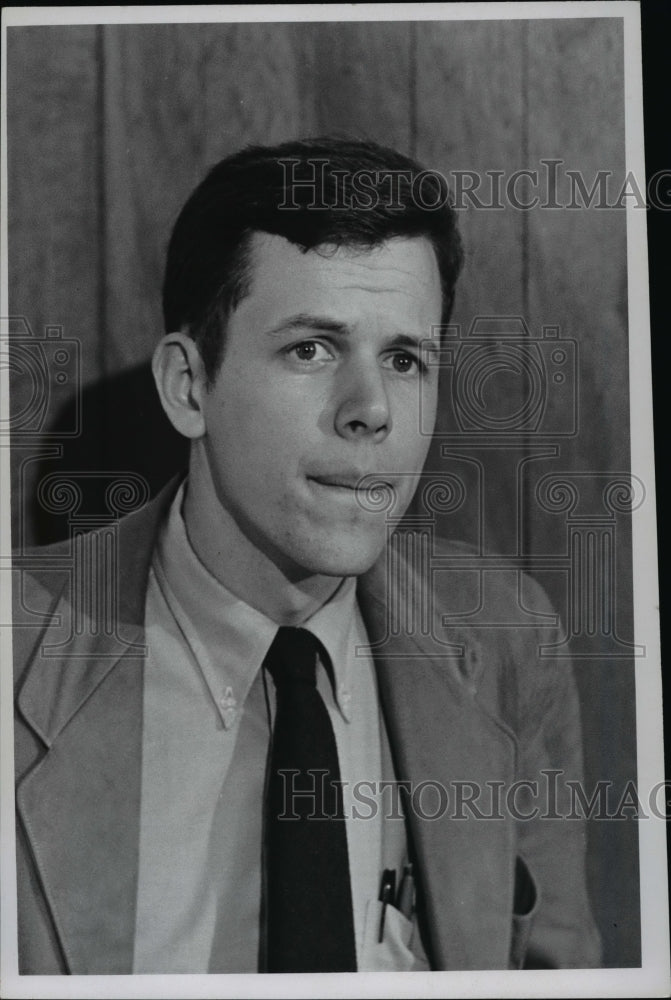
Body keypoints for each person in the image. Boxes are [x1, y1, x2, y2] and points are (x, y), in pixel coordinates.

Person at [13, 137, 601, 974]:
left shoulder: (506, 636)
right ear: (188, 386)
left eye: (403, 359)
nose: (370, 410)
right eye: (310, 350)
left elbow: (560, 974)